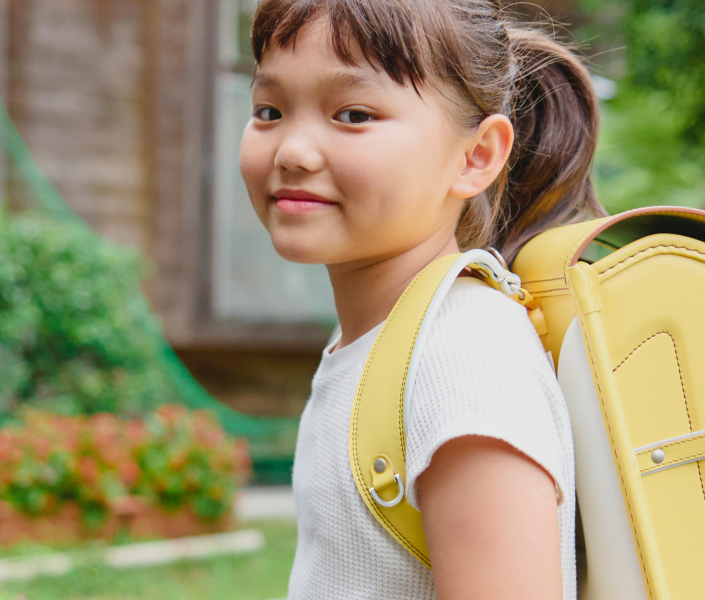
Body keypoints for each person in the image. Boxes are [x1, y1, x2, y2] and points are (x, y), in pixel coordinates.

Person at [238, 0, 605, 598]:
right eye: (269, 111)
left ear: (476, 157)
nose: (292, 152)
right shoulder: (383, 337)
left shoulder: (463, 358)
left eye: (353, 114)